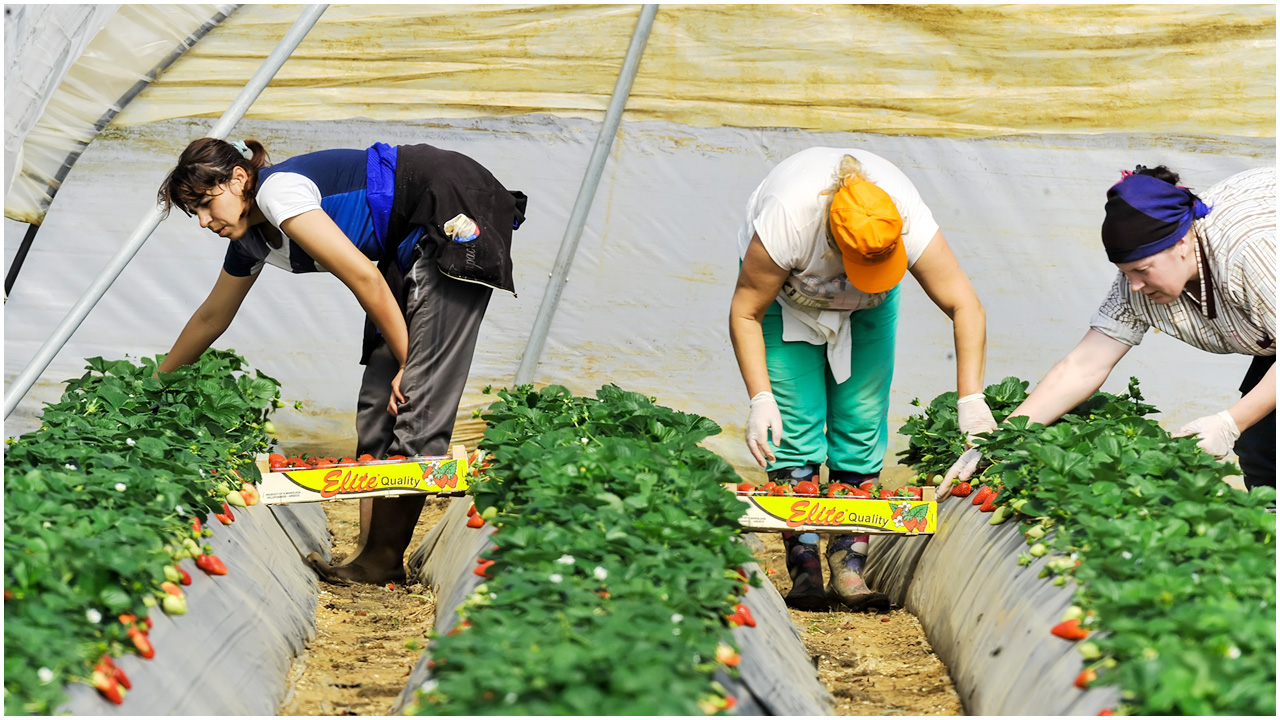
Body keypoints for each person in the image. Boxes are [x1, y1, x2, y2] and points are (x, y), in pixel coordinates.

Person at [156, 137, 527, 584]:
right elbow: (211, 316)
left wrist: (411, 364)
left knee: (416, 404)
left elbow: (363, 276)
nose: (202, 221)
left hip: (447, 210)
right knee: (376, 406)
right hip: (403, 243)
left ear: (239, 179)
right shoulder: (250, 240)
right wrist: (156, 385)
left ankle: (381, 561)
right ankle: (368, 556)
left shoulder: (277, 193)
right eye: (192, 212)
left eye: (205, 203)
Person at [728, 147, 991, 610]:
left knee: (862, 417)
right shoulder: (789, 219)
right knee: (794, 421)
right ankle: (805, 568)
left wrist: (971, 398)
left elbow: (964, 304)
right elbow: (747, 309)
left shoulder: (904, 216)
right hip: (787, 303)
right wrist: (760, 397)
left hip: (868, 309)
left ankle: (850, 567)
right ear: (832, 241)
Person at [942, 164, 1275, 496]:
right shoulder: (1136, 287)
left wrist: (1229, 423)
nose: (1134, 286)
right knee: (1261, 450)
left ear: (1183, 242)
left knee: (1256, 435)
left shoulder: (1248, 249)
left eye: (1143, 270)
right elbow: (1085, 364)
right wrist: (1002, 441)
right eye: (1125, 272)